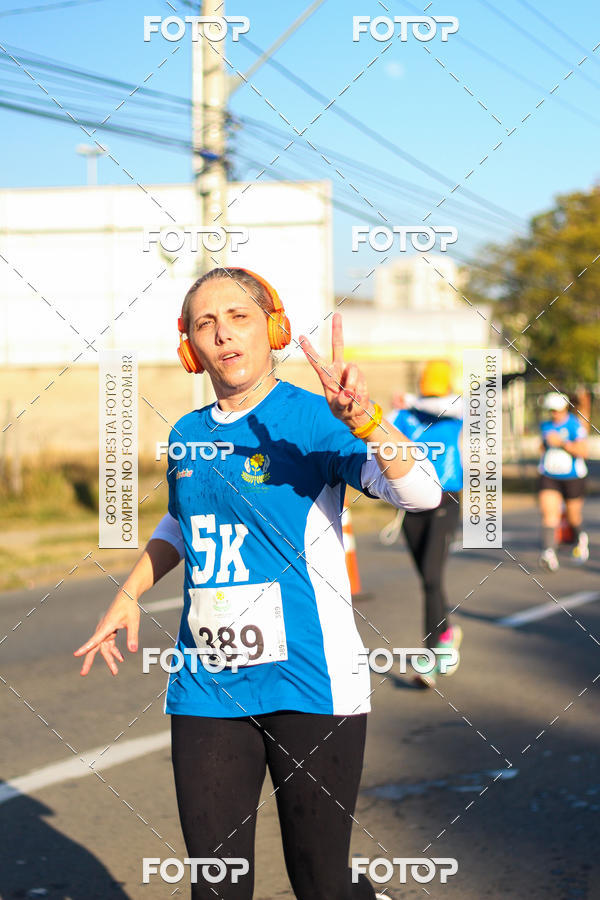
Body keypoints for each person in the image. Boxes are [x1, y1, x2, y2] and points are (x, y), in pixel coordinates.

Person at [74, 267, 441, 900]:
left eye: (238, 317)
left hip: (312, 679)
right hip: (208, 684)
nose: (222, 335)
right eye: (205, 324)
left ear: (272, 328)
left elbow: (421, 492)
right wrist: (129, 590)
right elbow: (183, 520)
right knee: (216, 885)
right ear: (189, 346)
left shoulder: (316, 417)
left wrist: (369, 421)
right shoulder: (187, 434)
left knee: (319, 883)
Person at [391, 360, 463, 688]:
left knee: (432, 577)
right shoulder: (404, 417)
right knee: (428, 579)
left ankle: (430, 657)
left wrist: (412, 400)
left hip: (446, 499)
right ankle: (445, 630)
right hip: (411, 505)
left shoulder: (456, 410)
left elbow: (449, 405)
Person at [538, 391, 589, 572]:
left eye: (557, 410)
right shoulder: (545, 425)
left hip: (573, 477)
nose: (554, 414)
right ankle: (549, 552)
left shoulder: (575, 425)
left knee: (573, 517)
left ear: (565, 409)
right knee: (549, 514)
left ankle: (580, 537)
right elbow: (543, 446)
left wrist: (562, 443)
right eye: (551, 410)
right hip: (550, 475)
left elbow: (584, 451)